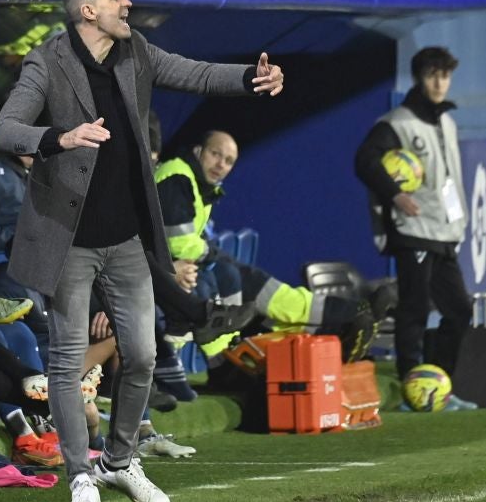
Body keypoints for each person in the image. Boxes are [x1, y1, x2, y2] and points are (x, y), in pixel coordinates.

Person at [0, 0, 284, 502]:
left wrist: (251, 78)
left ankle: (120, 461)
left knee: (145, 354)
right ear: (87, 11)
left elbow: (194, 73)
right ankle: (80, 476)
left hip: (126, 238)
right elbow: (5, 130)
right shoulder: (47, 62)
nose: (127, 3)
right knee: (66, 362)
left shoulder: (136, 52)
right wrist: (61, 138)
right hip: (69, 238)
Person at [158, 129, 387, 362]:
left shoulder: (199, 184)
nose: (220, 165)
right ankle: (222, 363)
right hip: (161, 271)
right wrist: (215, 255)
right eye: (215, 154)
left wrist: (213, 255)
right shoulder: (178, 176)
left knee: (263, 289)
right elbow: (178, 242)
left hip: (184, 266)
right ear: (199, 151)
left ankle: (349, 318)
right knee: (233, 278)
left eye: (228, 161)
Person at [355, 46, 477, 409]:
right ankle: (412, 386)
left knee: (459, 310)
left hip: (443, 231)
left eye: (445, 75)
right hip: (413, 229)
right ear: (418, 78)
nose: (440, 82)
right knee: (415, 307)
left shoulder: (446, 122)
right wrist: (395, 195)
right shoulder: (398, 122)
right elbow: (364, 161)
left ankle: (439, 386)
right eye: (432, 75)